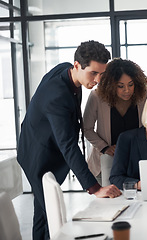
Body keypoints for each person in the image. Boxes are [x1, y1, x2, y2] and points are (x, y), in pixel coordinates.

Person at [17, 40, 121, 240]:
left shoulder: (66, 71)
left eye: (102, 74)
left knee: (41, 212)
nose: (98, 80)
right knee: (50, 213)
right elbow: (68, 146)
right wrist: (95, 188)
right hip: (38, 155)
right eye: (93, 73)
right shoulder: (57, 96)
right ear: (77, 65)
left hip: (46, 144)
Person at [83, 58, 147, 184]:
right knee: (107, 202)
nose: (127, 90)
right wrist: (105, 148)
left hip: (135, 161)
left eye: (131, 84)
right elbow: (87, 128)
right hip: (104, 163)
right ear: (111, 85)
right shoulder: (96, 96)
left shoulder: (143, 95)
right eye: (120, 86)